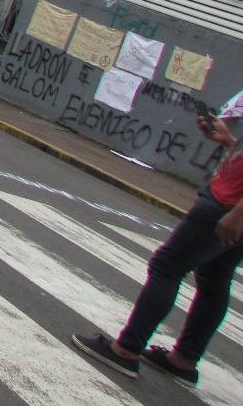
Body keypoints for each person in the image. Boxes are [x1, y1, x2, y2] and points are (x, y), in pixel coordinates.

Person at [71, 99, 243, 386]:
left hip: (227, 206)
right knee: (215, 278)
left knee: (167, 266)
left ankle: (126, 350)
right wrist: (229, 141)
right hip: (231, 203)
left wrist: (239, 212)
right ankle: (183, 360)